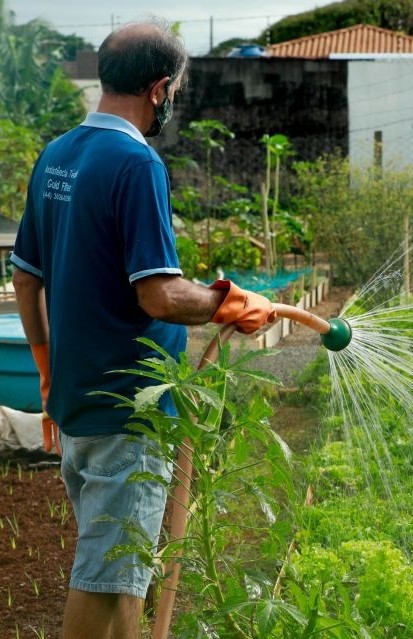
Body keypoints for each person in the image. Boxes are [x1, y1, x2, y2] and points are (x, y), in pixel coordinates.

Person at [11, 21, 274, 639]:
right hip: (130, 412)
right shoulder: (135, 162)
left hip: (76, 401)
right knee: (102, 575)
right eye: (174, 90)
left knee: (121, 570)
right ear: (160, 89)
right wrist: (228, 303)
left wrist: (48, 375)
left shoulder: (57, 154)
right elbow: (157, 293)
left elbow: (26, 279)